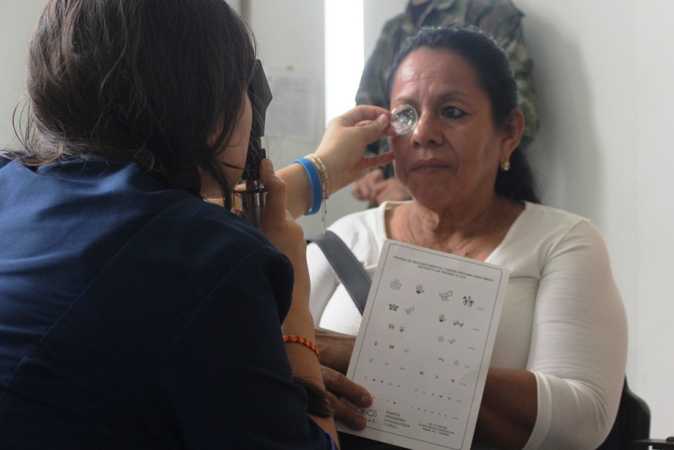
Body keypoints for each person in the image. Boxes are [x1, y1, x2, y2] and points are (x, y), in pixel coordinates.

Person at [0, 0, 392, 448]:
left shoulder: (11, 181)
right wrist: (294, 320)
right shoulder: (219, 261)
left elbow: (135, 229)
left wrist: (320, 169)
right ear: (216, 112)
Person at [308, 25, 627, 450]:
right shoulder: (342, 241)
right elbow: (269, 367)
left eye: (452, 112)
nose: (422, 133)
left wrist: (350, 355)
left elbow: (579, 420)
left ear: (509, 133)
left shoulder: (561, 243)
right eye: (405, 115)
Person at [351, 0, 539, 207]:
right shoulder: (394, 29)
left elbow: (518, 110)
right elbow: (369, 108)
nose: (421, 134)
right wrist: (370, 172)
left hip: (473, 207)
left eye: (451, 112)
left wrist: (419, 181)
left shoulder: (487, 12)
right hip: (389, 202)